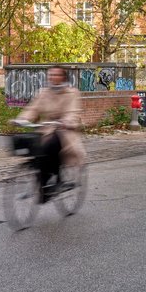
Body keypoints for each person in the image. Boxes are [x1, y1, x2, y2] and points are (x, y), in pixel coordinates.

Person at [12, 66, 86, 202]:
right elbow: (33, 108)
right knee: (35, 150)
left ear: (63, 77)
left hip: (65, 131)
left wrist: (66, 121)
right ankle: (41, 182)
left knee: (51, 146)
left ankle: (56, 179)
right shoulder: (44, 92)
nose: (53, 77)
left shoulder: (72, 93)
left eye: (56, 75)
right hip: (46, 129)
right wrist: (21, 119)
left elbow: (73, 111)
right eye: (51, 75)